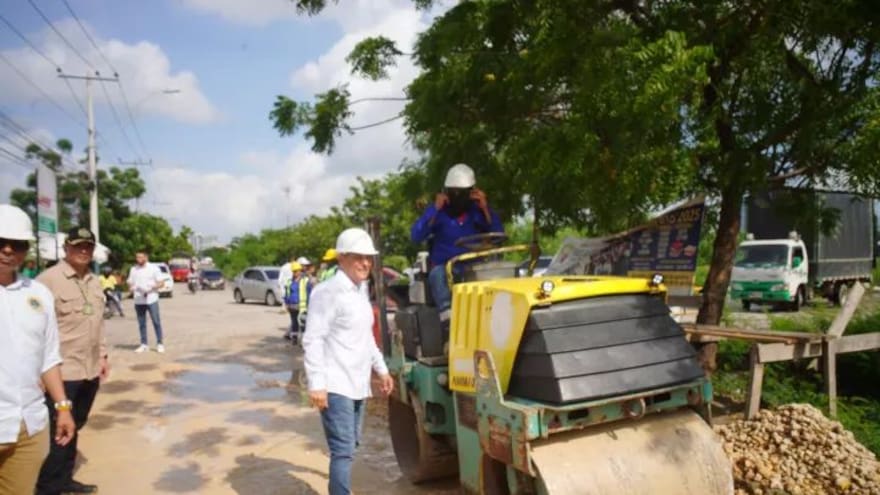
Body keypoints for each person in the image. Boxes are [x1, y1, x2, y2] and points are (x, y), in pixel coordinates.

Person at [303, 228, 394, 495]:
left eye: (368, 258)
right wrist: (317, 384)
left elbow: (366, 337)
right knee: (342, 450)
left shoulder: (359, 291)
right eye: (358, 257)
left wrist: (382, 370)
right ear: (341, 258)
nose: (365, 263)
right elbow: (313, 339)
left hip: (357, 383)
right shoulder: (327, 292)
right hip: (335, 384)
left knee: (351, 445)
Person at [0, 205, 75, 495]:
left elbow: (49, 358)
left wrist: (63, 408)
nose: (8, 250)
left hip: (29, 426)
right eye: (1, 242)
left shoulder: (38, 294)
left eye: (17, 244)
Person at [35, 226, 108, 495]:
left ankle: (64, 480)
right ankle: (48, 488)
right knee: (58, 433)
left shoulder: (94, 281)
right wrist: (37, 372)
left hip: (89, 370)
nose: (83, 251)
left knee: (75, 426)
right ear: (66, 248)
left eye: (88, 246)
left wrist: (103, 356)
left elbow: (98, 323)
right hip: (61, 373)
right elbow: (34, 331)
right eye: (78, 246)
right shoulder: (47, 281)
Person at [410, 163, 504, 321]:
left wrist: (485, 208)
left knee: (496, 273)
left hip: (474, 267)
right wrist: (435, 209)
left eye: (462, 192)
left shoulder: (477, 212)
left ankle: (494, 315)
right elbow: (416, 236)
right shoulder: (438, 212)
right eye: (453, 192)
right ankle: (448, 317)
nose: (457, 196)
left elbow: (498, 236)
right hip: (447, 269)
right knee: (437, 274)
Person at [126, 250, 165, 353]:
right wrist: (131, 287)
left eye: (140, 257)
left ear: (146, 257)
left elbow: (161, 283)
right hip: (139, 299)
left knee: (156, 321)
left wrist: (152, 287)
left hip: (151, 299)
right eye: (137, 257)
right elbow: (130, 282)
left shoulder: (153, 268)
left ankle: (160, 343)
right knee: (141, 323)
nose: (138, 259)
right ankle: (144, 344)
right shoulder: (133, 269)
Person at [284, 262, 312, 344]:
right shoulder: (289, 282)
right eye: (294, 271)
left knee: (303, 323)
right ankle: (294, 338)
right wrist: (286, 304)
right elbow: (287, 294)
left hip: (302, 306)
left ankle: (303, 340)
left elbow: (309, 293)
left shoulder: (305, 281)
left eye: (297, 271)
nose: (296, 273)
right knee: (294, 322)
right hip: (292, 306)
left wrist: (309, 304)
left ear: (300, 270)